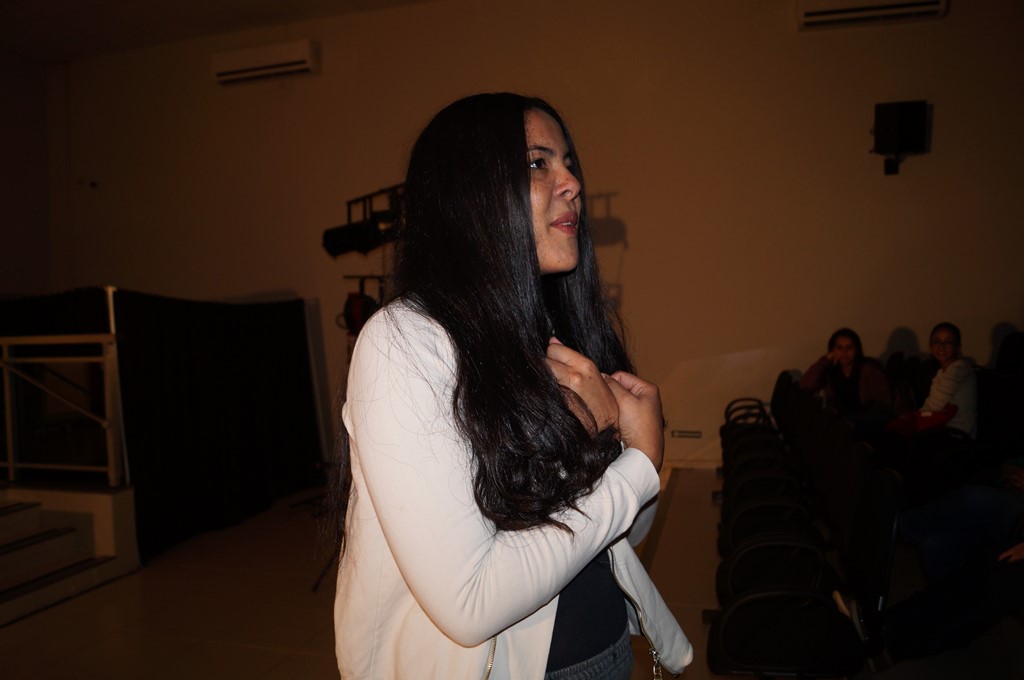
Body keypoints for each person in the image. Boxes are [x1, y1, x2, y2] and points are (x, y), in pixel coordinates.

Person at [328, 94, 692, 679]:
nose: (572, 183)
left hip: (606, 652)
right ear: (469, 196)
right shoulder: (405, 341)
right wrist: (640, 461)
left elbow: (621, 533)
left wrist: (621, 445)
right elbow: (470, 603)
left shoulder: (555, 332)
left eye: (568, 163)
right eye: (537, 163)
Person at [799, 328, 905, 439]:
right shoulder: (831, 371)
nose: (844, 352)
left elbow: (884, 405)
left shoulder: (869, 370)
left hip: (872, 418)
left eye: (849, 348)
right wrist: (825, 360)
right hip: (845, 420)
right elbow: (805, 385)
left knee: (841, 425)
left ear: (856, 349)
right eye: (839, 348)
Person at [918, 322, 977, 437]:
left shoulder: (959, 368)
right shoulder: (941, 372)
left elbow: (935, 405)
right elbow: (931, 404)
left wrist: (916, 418)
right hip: (942, 430)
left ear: (957, 347)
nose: (941, 346)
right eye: (936, 342)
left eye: (948, 342)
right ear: (931, 346)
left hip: (957, 434)